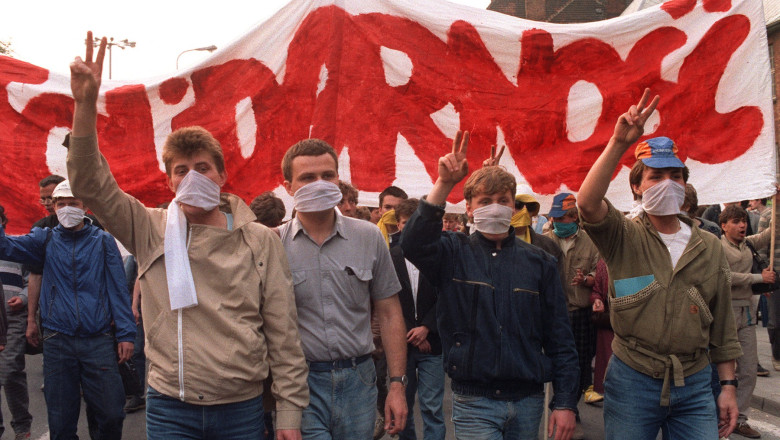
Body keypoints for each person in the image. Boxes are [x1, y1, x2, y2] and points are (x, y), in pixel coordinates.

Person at [67, 32, 308, 440]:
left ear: (222, 175)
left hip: (241, 408)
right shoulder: (149, 228)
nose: (192, 177)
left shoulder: (258, 240)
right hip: (169, 407)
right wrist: (85, 107)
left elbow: (282, 331)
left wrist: (288, 413)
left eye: (202, 167)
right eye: (181, 170)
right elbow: (91, 184)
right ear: (169, 182)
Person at [577, 89, 742, 439]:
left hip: (696, 384)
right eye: (655, 176)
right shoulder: (623, 236)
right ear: (637, 186)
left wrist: (727, 386)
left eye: (675, 176)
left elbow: (723, 326)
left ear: (685, 184)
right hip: (633, 379)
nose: (667, 183)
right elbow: (588, 204)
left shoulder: (709, 246)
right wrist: (618, 143)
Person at [401, 131, 579, 440]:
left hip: (528, 400)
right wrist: (444, 184)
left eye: (502, 201)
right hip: (474, 401)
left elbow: (560, 337)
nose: (495, 207)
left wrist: (565, 403)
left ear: (513, 207)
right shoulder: (452, 252)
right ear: (468, 209)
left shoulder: (540, 261)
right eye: (485, 201)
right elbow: (412, 243)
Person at [278, 138, 408, 439]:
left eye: (327, 175)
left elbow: (389, 313)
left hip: (359, 380)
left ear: (338, 178)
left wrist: (397, 385)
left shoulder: (369, 237)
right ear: (288, 186)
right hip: (301, 384)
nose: (319, 183)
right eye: (307, 178)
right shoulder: (274, 243)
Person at [1, 180, 133, 440]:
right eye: (61, 204)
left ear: (85, 206)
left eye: (73, 203)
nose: (67, 209)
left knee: (111, 414)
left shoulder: (103, 241)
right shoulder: (44, 239)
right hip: (58, 341)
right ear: (53, 207)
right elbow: (6, 247)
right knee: (61, 422)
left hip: (98, 339)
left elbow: (118, 289)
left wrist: (127, 334)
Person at [391, 198, 446, 440]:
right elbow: (387, 301)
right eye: (404, 223)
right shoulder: (390, 256)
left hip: (432, 344)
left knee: (432, 407)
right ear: (398, 224)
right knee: (403, 406)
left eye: (413, 222)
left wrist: (427, 327)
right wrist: (412, 332)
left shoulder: (440, 255)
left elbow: (447, 294)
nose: (408, 228)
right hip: (401, 344)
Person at [719, 204, 774, 439]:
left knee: (749, 369)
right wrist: (757, 277)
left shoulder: (748, 243)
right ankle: (716, 416)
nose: (742, 225)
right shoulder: (717, 247)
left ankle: (740, 419)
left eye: (743, 220)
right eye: (735, 221)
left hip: (747, 312)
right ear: (723, 226)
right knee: (722, 370)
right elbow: (724, 276)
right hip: (725, 312)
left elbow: (772, 233)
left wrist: (777, 205)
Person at [544, 192, 601, 413]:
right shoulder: (546, 240)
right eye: (554, 219)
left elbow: (601, 273)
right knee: (557, 363)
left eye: (562, 219)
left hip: (580, 314)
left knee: (579, 364)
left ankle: (568, 407)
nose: (557, 223)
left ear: (574, 217)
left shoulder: (591, 242)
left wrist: (587, 280)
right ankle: (562, 406)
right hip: (554, 313)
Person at [0, 205, 28, 440]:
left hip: (12, 319)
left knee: (9, 372)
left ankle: (22, 426)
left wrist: (25, 298)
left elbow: (33, 280)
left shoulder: (16, 247)